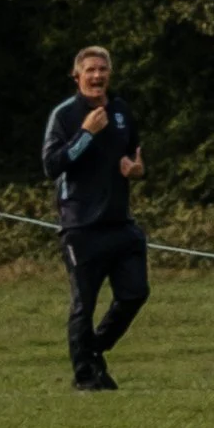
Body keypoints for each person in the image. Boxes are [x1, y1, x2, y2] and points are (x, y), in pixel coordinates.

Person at [41, 44, 148, 391]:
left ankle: (95, 349)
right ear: (77, 76)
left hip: (120, 223)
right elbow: (52, 165)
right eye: (90, 70)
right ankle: (85, 377)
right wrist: (86, 133)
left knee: (135, 293)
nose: (97, 75)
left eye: (103, 69)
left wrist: (136, 170)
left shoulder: (121, 112)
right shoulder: (65, 116)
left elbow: (135, 159)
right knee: (82, 305)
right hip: (80, 226)